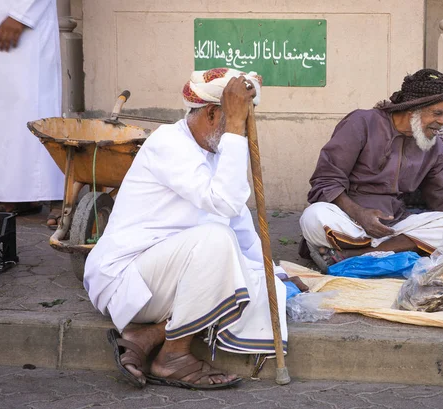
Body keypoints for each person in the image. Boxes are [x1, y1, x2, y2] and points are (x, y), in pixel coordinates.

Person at [84, 68, 289, 390]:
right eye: (240, 121)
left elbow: (242, 231)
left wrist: (274, 276)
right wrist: (235, 129)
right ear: (211, 113)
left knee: (265, 285)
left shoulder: (215, 155)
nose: (246, 132)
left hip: (169, 281)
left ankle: (149, 335)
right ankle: (173, 356)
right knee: (215, 239)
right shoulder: (169, 143)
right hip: (129, 278)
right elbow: (224, 203)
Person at [300, 69, 443, 272]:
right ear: (413, 109)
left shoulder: (434, 147)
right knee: (314, 216)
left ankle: (357, 256)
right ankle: (376, 252)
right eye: (437, 113)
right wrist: (360, 214)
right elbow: (326, 180)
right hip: (349, 222)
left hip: (394, 229)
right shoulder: (363, 122)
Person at [0, 0, 64, 227]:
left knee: (34, 104)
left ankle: (55, 195)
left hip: (26, 19)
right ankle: (16, 195)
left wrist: (20, 15)